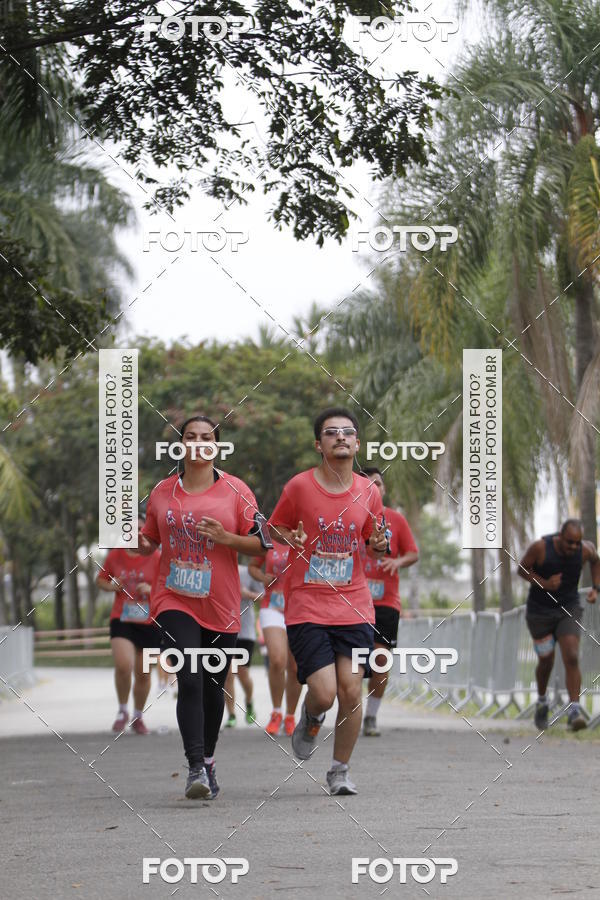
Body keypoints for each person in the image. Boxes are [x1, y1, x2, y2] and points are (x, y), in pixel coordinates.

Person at [137, 415, 272, 799]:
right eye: (190, 436)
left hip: (221, 602)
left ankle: (209, 761)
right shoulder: (163, 491)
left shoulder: (237, 490)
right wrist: (139, 544)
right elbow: (149, 540)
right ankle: (195, 766)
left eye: (207, 437)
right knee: (190, 676)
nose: (198, 442)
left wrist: (225, 537)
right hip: (173, 597)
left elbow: (261, 545)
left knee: (214, 688)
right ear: (180, 445)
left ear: (216, 445)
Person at [269, 407, 388, 795]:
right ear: (318, 444)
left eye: (348, 432)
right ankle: (311, 715)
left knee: (352, 690)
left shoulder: (369, 491)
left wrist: (379, 545)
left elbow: (374, 542)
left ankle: (339, 770)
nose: (340, 437)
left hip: (354, 606)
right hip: (307, 604)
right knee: (324, 690)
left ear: (357, 443)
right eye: (331, 432)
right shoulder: (299, 487)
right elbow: (274, 529)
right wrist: (291, 538)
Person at [517, 518, 600, 731]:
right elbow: (522, 569)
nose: (574, 547)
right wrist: (544, 583)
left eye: (577, 542)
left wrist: (595, 588)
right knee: (546, 662)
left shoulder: (585, 550)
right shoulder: (541, 547)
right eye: (569, 542)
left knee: (572, 655)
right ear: (560, 537)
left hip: (568, 609)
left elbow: (596, 560)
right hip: (539, 613)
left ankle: (574, 711)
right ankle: (543, 702)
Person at [359, 467, 419, 736]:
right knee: (349, 660)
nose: (375, 488)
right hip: (351, 600)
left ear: (383, 490)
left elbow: (413, 553)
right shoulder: (349, 516)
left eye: (379, 484)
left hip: (385, 602)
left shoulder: (395, 519)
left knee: (380, 660)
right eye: (368, 483)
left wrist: (398, 560)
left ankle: (371, 716)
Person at [97, 517, 160, 735]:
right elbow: (101, 580)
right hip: (122, 618)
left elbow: (167, 586)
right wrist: (112, 585)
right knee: (124, 666)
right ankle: (122, 710)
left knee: (143, 674)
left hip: (149, 621)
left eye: (141, 529)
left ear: (146, 532)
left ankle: (138, 716)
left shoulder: (157, 556)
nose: (136, 532)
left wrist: (151, 590)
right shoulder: (115, 555)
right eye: (131, 529)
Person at [249, 546, 302, 736]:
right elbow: (253, 566)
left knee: (295, 667)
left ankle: (290, 716)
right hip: (272, 607)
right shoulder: (269, 540)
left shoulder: (305, 537)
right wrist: (263, 578)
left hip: (299, 608)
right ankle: (276, 712)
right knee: (278, 660)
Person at [223, 562, 261, 727]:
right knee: (228, 673)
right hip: (224, 628)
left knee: (243, 673)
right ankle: (231, 714)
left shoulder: (247, 571)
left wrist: (247, 594)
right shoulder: (218, 568)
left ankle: (249, 701)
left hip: (245, 631)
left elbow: (263, 596)